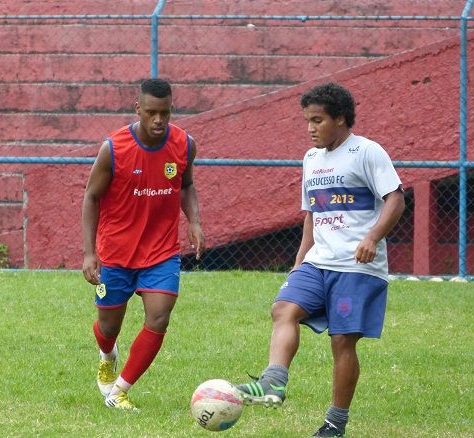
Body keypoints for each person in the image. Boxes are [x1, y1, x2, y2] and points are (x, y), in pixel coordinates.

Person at [235, 82, 405, 437]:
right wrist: (300, 261)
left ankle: (335, 423)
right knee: (283, 308)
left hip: (356, 268)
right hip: (317, 262)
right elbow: (312, 214)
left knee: (342, 342)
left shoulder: (367, 152)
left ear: (340, 119)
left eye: (318, 120)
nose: (310, 128)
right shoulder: (311, 159)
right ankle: (273, 383)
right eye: (307, 121)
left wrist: (372, 237)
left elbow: (396, 199)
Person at [82, 78, 205, 410]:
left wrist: (193, 220)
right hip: (116, 253)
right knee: (108, 326)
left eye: (165, 113)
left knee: (159, 317)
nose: (158, 121)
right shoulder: (114, 148)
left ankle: (119, 390)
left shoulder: (184, 144)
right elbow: (92, 197)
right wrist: (89, 253)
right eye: (151, 112)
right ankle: (107, 356)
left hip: (161, 252)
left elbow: (186, 184)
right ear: (138, 108)